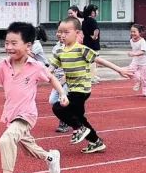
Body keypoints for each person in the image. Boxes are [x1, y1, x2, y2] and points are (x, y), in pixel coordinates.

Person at [0, 21, 65, 173]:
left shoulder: (35, 66)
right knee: (30, 150)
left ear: (28, 45)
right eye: (7, 43)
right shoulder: (3, 65)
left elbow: (51, 78)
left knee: (6, 140)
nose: (9, 47)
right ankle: (51, 157)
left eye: (14, 43)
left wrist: (62, 94)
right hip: (11, 114)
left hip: (26, 115)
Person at [50, 17, 132, 155]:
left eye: (66, 32)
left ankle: (79, 129)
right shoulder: (59, 52)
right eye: (60, 32)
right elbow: (49, 70)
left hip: (81, 89)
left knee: (58, 107)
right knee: (80, 118)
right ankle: (95, 142)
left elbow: (100, 60)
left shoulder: (81, 49)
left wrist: (119, 70)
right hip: (72, 88)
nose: (62, 35)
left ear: (77, 33)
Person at [127, 23, 146, 97]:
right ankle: (138, 80)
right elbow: (134, 49)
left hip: (145, 62)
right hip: (135, 61)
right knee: (129, 71)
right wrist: (133, 54)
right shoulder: (131, 40)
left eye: (134, 32)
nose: (132, 33)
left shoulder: (142, 41)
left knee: (145, 78)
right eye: (131, 31)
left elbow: (143, 51)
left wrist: (133, 54)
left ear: (139, 32)